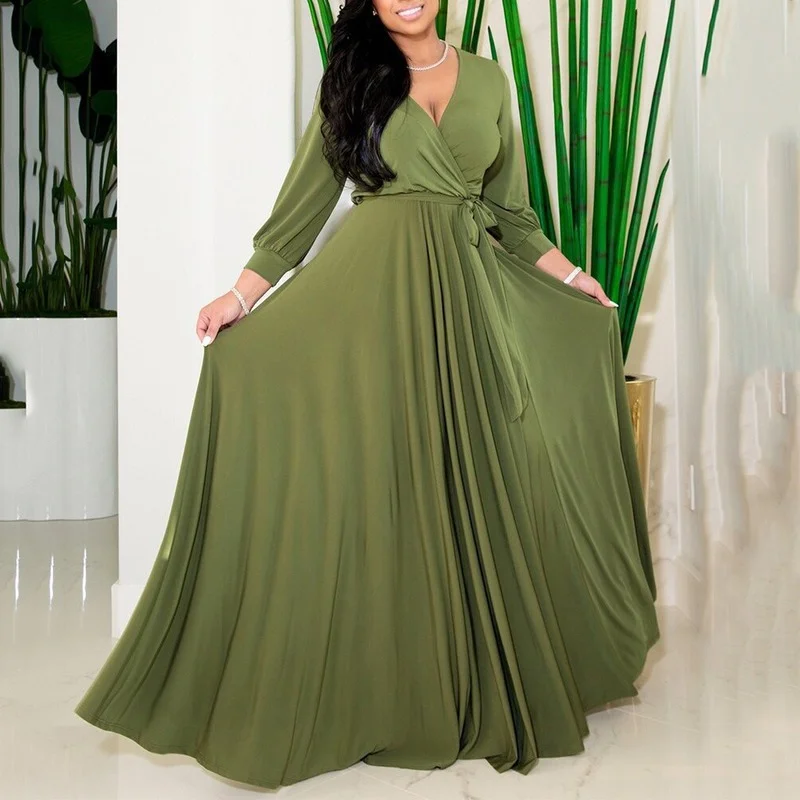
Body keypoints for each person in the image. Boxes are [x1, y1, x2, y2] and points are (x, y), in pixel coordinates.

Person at [75, 0, 660, 790]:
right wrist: (240, 297)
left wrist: (576, 278)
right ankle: (381, 690)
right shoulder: (354, 78)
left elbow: (514, 217)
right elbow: (299, 214)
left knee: (480, 484)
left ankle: (466, 680)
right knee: (383, 488)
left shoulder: (489, 81)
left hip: (467, 306)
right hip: (371, 306)